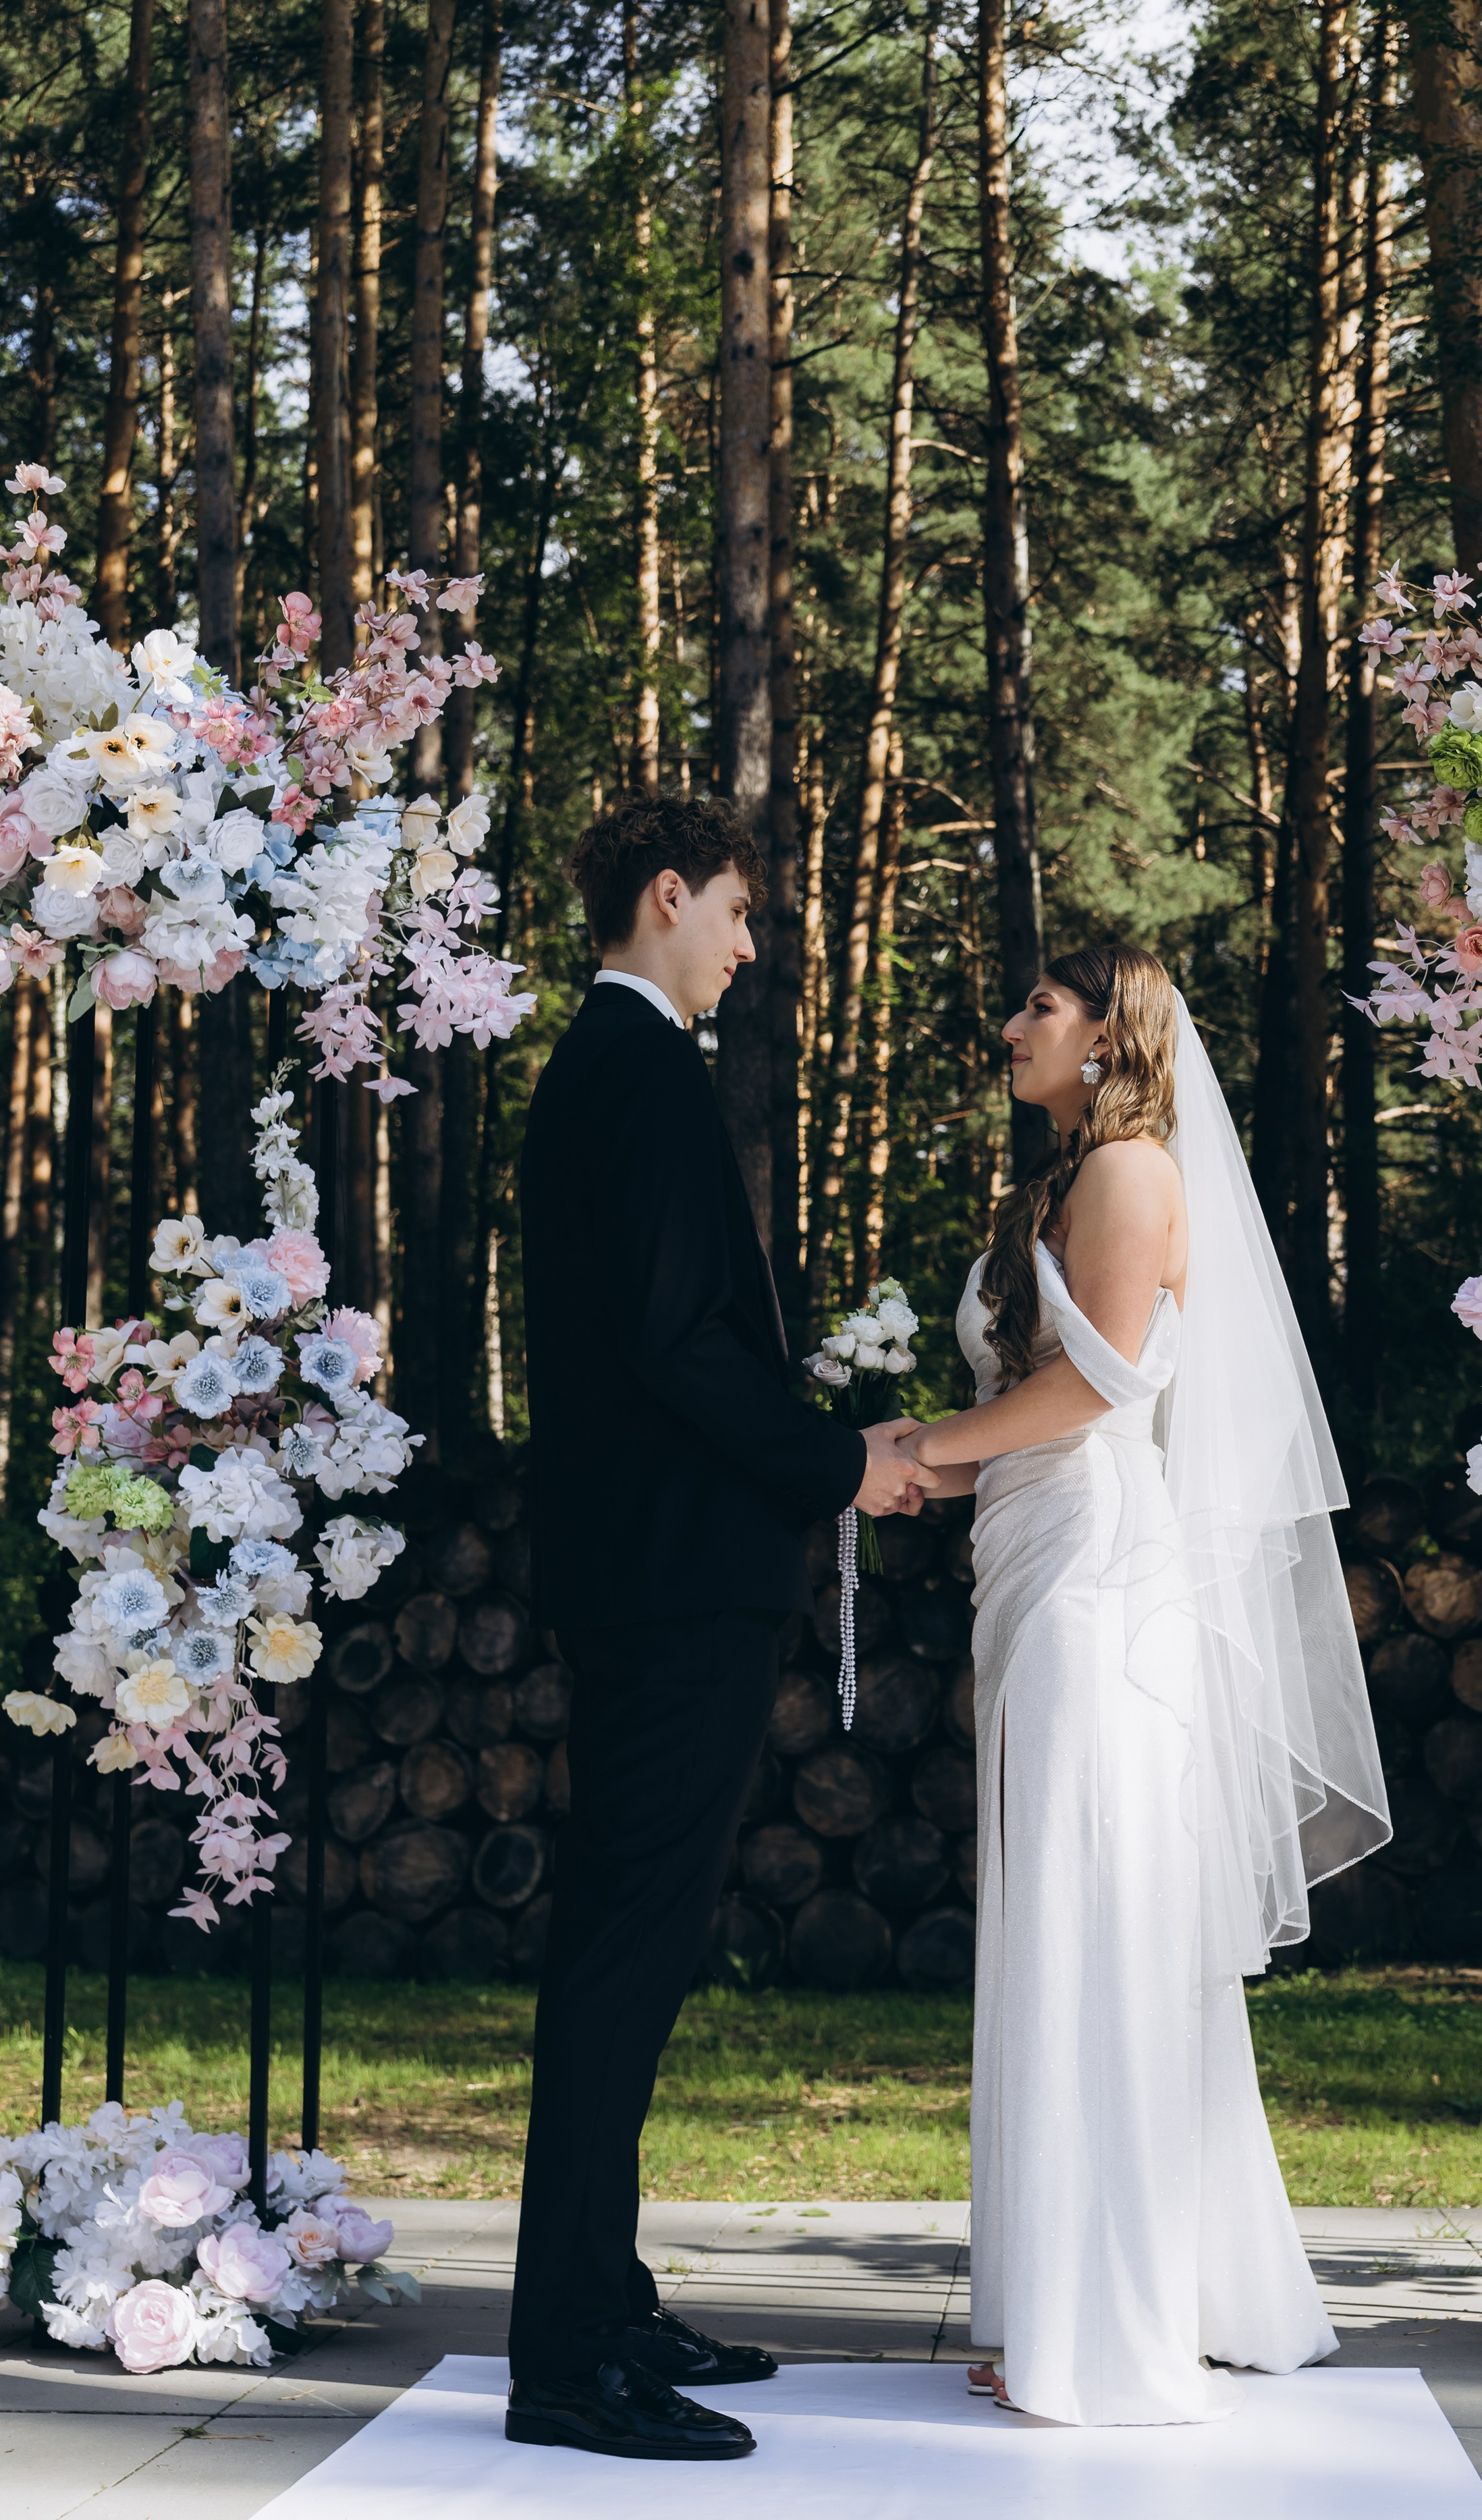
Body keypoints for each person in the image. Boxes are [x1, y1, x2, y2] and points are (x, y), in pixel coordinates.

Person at [894, 943, 1390, 2427]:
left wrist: (920, 1446)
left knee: (1089, 1917)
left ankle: (1100, 2326)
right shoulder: (1052, 1184)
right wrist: (954, 1454)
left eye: (1036, 1008)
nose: (1007, 1025)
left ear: (1109, 1038)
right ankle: (1075, 2289)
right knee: (1058, 1917)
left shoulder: (1125, 1177)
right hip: (1032, 1566)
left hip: (1097, 1581)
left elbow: (1101, 1381)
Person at [506, 798, 920, 2463]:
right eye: (738, 914)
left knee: (635, 1943)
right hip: (673, 1577)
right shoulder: (647, 1076)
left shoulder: (598, 1072)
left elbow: (665, 1342)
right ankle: (566, 2360)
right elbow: (680, 1346)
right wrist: (839, 1464)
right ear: (665, 900)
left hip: (646, 1566)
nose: (749, 949)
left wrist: (830, 1454)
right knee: (624, 1950)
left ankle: (599, 2299)